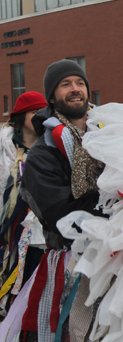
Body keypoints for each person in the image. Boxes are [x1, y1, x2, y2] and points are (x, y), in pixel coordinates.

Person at [19, 59, 104, 342]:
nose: (75, 89)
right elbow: (59, 214)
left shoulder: (109, 134)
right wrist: (113, 206)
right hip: (71, 267)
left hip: (118, 266)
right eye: (65, 84)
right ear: (52, 97)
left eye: (79, 83)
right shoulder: (43, 153)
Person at [0, 92, 48, 316]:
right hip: (10, 234)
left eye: (43, 112)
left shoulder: (52, 147)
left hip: (42, 238)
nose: (40, 117)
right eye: (34, 113)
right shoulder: (5, 149)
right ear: (20, 118)